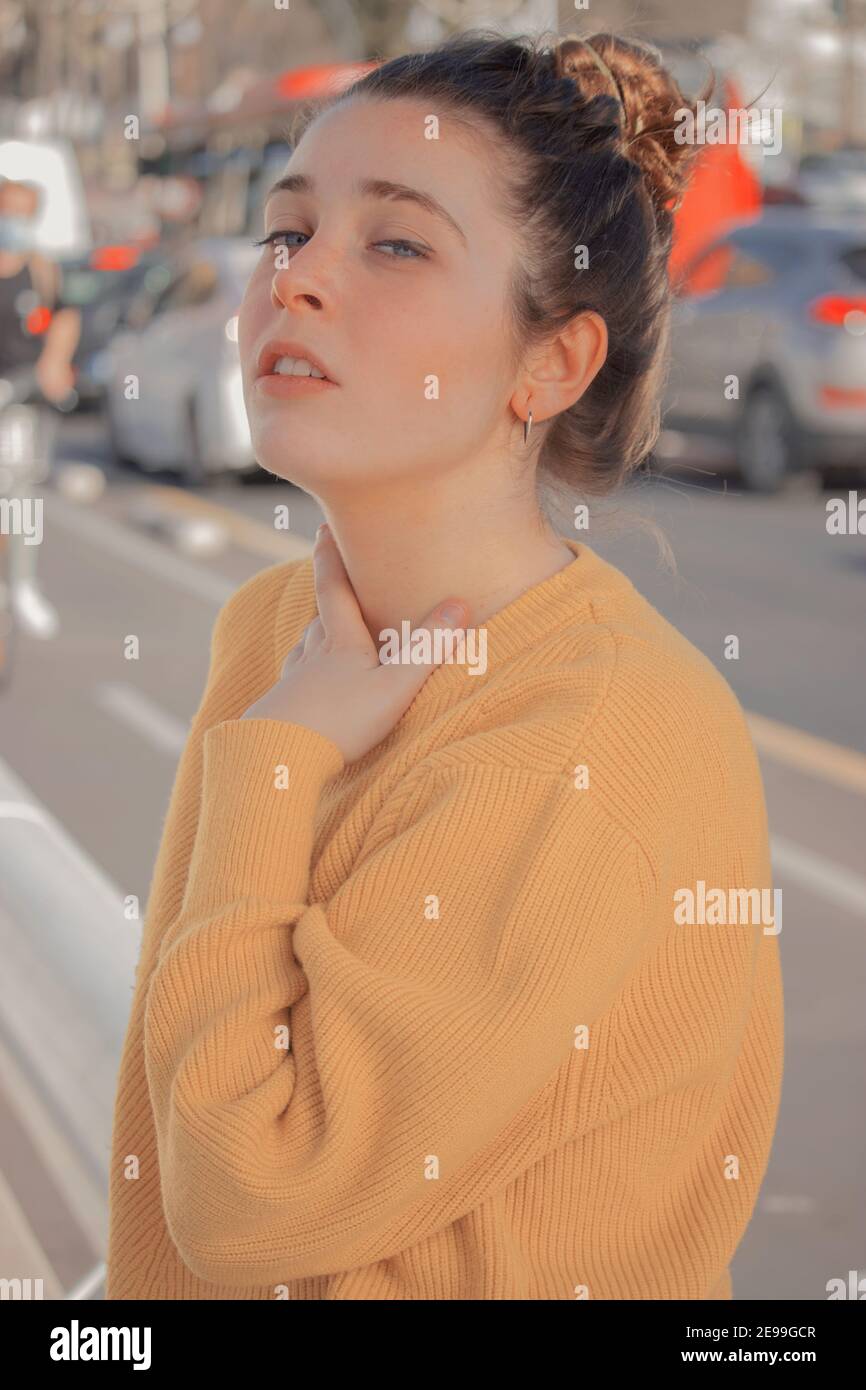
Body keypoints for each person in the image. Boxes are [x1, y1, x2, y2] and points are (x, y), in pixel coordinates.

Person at [106, 30, 784, 1300]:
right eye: (285, 230)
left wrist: (280, 758)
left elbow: (247, 1203)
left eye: (397, 242)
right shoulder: (272, 629)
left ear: (551, 362)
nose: (294, 280)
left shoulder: (594, 727)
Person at [0, 176, 80, 639]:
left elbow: (65, 317)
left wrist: (55, 363)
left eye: (23, 213)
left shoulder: (43, 270)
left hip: (22, 398)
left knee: (20, 489)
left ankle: (23, 584)